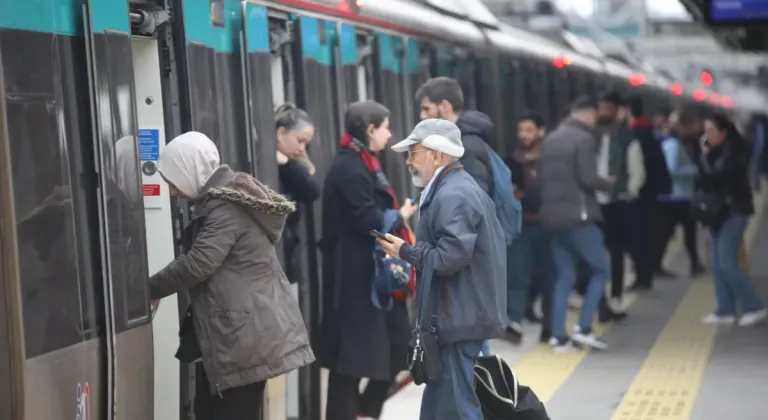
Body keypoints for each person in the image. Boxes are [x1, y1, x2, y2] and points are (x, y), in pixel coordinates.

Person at [148, 131, 315, 420]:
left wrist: (148, 289)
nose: (172, 191)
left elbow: (199, 262)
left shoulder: (224, 207)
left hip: (242, 336)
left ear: (190, 170)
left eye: (173, 180)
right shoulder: (223, 199)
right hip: (243, 333)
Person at [379, 119, 507, 420]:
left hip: (457, 318)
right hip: (455, 316)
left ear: (436, 155)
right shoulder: (452, 188)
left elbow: (450, 258)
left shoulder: (453, 195)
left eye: (413, 153)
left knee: (460, 408)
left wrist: (406, 251)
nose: (409, 162)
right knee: (441, 408)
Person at [319, 100, 418, 420]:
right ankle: (355, 413)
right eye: (386, 128)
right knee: (351, 361)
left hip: (372, 274)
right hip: (356, 277)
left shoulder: (364, 162)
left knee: (395, 347)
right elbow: (365, 219)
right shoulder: (350, 167)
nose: (390, 135)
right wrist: (398, 215)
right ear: (370, 129)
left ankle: (365, 410)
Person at [539, 97, 615, 351]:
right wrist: (607, 182)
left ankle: (558, 337)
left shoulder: (551, 138)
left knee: (565, 276)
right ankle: (584, 327)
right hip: (579, 217)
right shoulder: (583, 139)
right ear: (590, 115)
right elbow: (588, 179)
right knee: (601, 270)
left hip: (553, 220)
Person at [697, 114, 766, 326]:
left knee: (727, 262)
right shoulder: (721, 150)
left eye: (710, 131)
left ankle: (753, 306)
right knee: (717, 263)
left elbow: (714, 177)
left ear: (723, 132)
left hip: (734, 211)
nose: (706, 136)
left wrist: (704, 157)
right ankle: (724, 310)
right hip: (719, 212)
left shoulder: (734, 152)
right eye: (705, 131)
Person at [594, 92, 646, 320]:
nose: (604, 113)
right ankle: (600, 300)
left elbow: (637, 171)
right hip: (593, 203)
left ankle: (615, 298)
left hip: (617, 203)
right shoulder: (590, 136)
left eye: (608, 109)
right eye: (601, 108)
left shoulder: (628, 138)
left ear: (616, 111)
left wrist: (630, 192)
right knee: (595, 254)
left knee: (616, 253)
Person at [504, 112, 553, 344]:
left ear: (541, 132)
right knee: (517, 274)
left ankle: (551, 327)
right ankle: (514, 322)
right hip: (520, 226)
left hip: (548, 226)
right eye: (521, 130)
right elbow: (509, 194)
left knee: (549, 276)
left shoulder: (552, 160)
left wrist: (525, 195)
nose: (524, 135)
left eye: (529, 130)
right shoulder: (510, 162)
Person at [415, 76, 495, 195]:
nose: (422, 115)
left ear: (445, 107)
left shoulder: (467, 147)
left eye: (427, 109)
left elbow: (474, 202)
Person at [624, 95, 672, 290]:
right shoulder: (647, 131)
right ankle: (645, 274)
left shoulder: (637, 134)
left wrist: (631, 191)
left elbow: (639, 170)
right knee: (643, 235)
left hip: (642, 195)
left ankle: (643, 276)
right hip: (651, 193)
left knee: (638, 236)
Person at [274, 103, 321, 284]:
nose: (302, 149)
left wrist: (286, 164)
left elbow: (312, 191)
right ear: (281, 133)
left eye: (305, 143)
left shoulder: (291, 164)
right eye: (300, 140)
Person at [655, 109, 705, 277]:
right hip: (678, 196)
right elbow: (672, 169)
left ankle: (658, 264)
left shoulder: (671, 143)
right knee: (682, 232)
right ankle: (693, 263)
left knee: (671, 232)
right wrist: (694, 170)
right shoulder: (674, 145)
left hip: (678, 196)